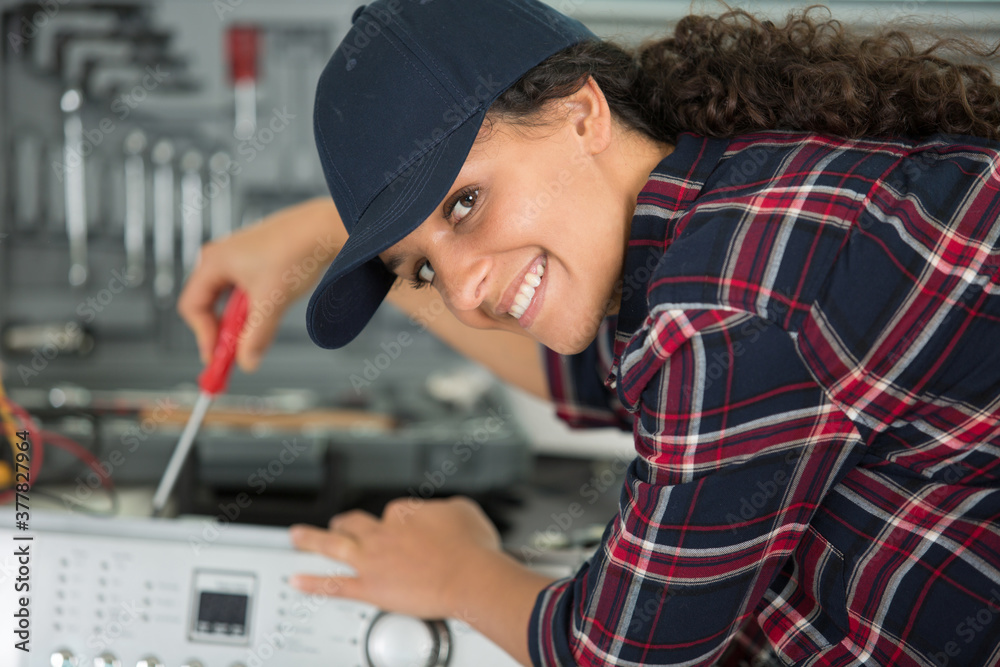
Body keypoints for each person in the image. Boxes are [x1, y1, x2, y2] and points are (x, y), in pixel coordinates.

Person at [178, 0, 1000, 664]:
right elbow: (585, 372)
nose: (463, 294)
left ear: (582, 113)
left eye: (466, 203)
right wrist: (321, 237)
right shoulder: (723, 210)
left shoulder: (723, 306)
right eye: (419, 267)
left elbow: (620, 657)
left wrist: (463, 574)